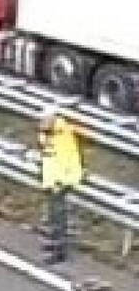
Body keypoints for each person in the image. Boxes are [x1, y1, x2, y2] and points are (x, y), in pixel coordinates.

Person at [37, 108, 84, 264]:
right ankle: (53, 243)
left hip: (62, 181)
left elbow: (67, 160)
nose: (40, 124)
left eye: (43, 121)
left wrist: (60, 182)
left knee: (59, 216)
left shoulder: (63, 135)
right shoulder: (49, 134)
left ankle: (60, 250)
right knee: (52, 215)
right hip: (52, 180)